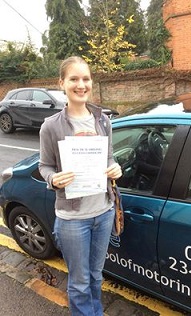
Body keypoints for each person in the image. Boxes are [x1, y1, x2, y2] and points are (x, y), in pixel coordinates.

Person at [39, 56, 122, 316]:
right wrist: (53, 179)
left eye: (85, 78)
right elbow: (44, 166)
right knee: (80, 281)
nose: (81, 84)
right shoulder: (51, 126)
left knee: (96, 276)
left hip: (104, 212)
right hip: (73, 219)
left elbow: (109, 158)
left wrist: (115, 168)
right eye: (74, 79)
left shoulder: (103, 121)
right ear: (62, 83)